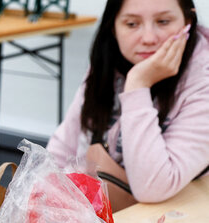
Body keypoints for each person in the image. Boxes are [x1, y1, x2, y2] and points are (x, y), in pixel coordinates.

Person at [46, 0, 209, 210]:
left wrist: (138, 84)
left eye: (163, 21)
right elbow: (62, 149)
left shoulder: (203, 78)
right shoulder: (108, 61)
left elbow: (152, 187)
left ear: (188, 20)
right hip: (97, 218)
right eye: (132, 24)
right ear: (113, 27)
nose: (149, 38)